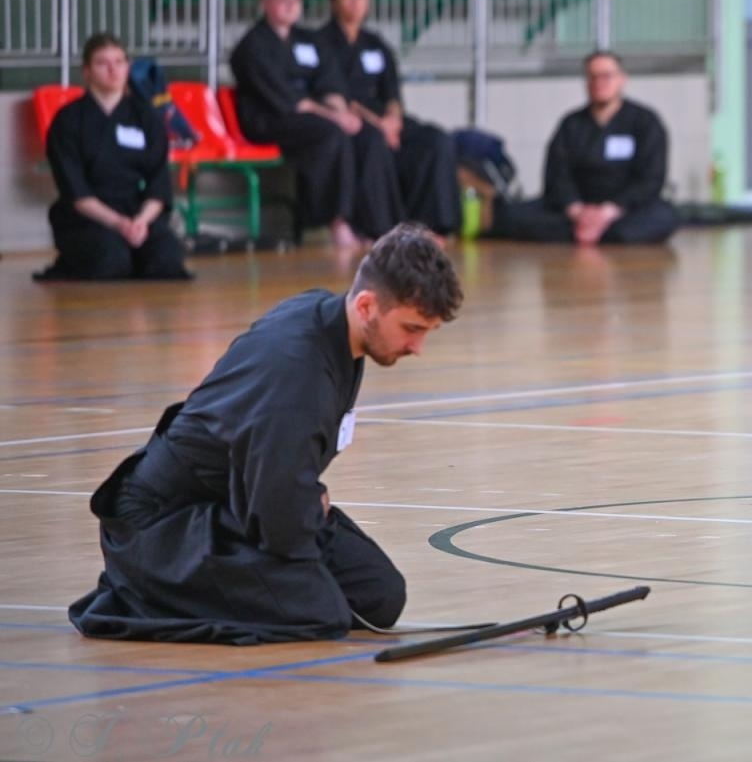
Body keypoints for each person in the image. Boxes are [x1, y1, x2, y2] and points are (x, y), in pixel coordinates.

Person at [68, 224, 463, 644]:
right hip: (163, 522)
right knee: (323, 613)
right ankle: (144, 590)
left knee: (379, 593)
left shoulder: (332, 322)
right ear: (366, 306)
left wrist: (304, 502)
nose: (417, 347)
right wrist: (305, 508)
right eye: (412, 329)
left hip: (235, 504)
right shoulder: (298, 374)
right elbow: (278, 517)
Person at [229, 0, 403, 248]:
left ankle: (376, 224)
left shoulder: (308, 40)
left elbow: (329, 83)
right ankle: (332, 222)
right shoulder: (253, 46)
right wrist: (336, 117)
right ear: (266, 3)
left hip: (316, 115)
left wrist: (341, 109)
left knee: (367, 136)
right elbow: (290, 100)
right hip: (271, 119)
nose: (290, 6)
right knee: (331, 134)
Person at [317, 0, 461, 237]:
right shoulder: (322, 43)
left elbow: (392, 92)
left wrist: (393, 120)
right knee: (373, 142)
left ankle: (432, 225)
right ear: (334, 1)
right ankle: (387, 230)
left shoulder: (376, 43)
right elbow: (338, 95)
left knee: (436, 141)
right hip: (355, 121)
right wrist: (380, 125)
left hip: (385, 117)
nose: (355, 2)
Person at [482, 50, 679, 245]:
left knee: (664, 217)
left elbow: (651, 179)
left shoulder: (645, 122)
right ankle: (594, 232)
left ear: (622, 79)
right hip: (575, 209)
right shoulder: (571, 124)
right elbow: (556, 175)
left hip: (624, 211)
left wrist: (608, 211)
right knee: (508, 215)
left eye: (606, 76)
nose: (599, 82)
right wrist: (576, 210)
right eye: (592, 76)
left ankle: (593, 231)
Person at [37, 33, 190, 281]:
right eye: (102, 63)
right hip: (88, 216)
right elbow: (76, 192)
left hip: (136, 211)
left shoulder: (147, 118)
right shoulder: (68, 120)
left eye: (119, 62)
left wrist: (139, 222)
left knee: (167, 261)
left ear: (128, 67)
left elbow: (158, 184)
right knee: (110, 261)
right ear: (86, 71)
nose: (113, 70)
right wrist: (119, 224)